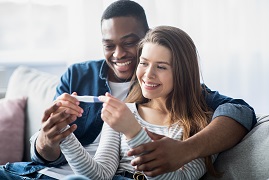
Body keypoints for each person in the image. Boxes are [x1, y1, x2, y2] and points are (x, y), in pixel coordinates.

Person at [0, 0, 255, 179]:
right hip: (43, 171)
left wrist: (175, 145)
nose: (119, 54)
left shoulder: (192, 112)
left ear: (145, 37)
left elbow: (241, 111)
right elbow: (56, 154)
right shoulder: (78, 76)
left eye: (129, 43)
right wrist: (57, 134)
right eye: (109, 45)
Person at [59, 25, 222, 180]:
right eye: (143, 63)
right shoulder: (125, 112)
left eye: (161, 67)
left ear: (182, 73)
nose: (148, 74)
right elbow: (98, 175)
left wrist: (134, 133)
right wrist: (63, 132)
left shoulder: (202, 127)